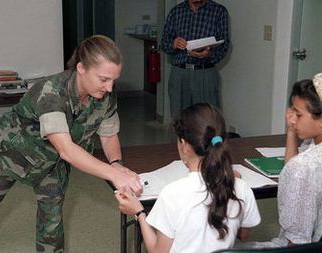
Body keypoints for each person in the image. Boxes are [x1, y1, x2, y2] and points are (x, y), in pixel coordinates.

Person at [0, 35, 143, 253]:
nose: (109, 88)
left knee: (52, 218)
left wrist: (117, 163)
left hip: (51, 162)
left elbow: (109, 135)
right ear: (81, 68)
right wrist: (112, 174)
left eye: (113, 80)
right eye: (103, 79)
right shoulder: (52, 92)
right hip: (9, 154)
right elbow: (67, 149)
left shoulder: (105, 95)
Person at [115, 103, 261, 253]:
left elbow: (157, 252)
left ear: (184, 145)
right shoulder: (241, 187)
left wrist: (139, 212)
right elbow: (243, 234)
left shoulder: (172, 194)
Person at [253, 74, 322, 248]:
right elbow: (294, 166)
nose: (291, 118)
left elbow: (296, 242)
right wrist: (292, 130)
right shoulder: (313, 146)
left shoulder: (303, 167)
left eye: (298, 115)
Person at [161, 0, 230, 117]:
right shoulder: (176, 12)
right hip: (179, 74)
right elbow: (164, 43)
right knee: (180, 120)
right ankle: (181, 136)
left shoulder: (219, 11)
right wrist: (174, 44)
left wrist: (208, 55)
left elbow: (224, 45)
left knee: (208, 119)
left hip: (205, 73)